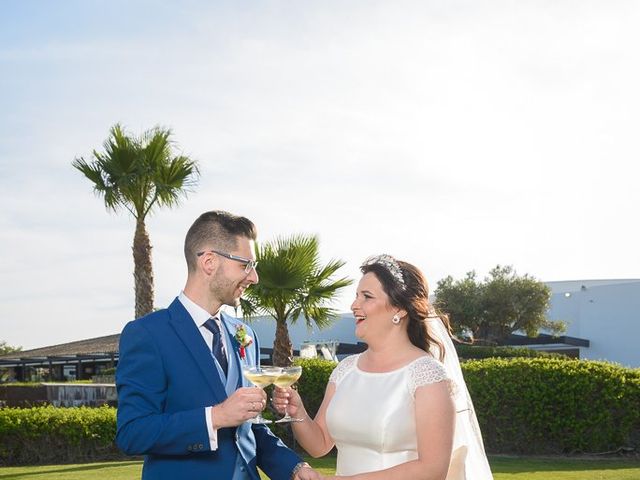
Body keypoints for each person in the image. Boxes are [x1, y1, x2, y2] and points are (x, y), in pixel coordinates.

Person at [116, 210, 320, 480]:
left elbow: (249, 428)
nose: (254, 277)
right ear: (209, 262)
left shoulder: (245, 334)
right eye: (245, 265)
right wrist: (215, 417)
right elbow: (133, 432)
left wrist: (293, 467)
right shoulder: (148, 334)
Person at [273, 254, 493, 480]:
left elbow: (432, 469)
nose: (354, 305)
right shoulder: (345, 370)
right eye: (356, 296)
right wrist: (297, 413)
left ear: (399, 309)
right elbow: (319, 444)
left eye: (366, 296)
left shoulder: (428, 375)